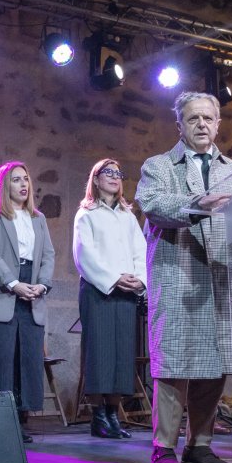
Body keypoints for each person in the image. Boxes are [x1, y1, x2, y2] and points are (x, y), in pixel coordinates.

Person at [135, 91, 232, 463]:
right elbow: (152, 204)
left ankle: (200, 444)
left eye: (208, 119)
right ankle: (163, 445)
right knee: (175, 364)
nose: (202, 125)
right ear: (179, 125)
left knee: (216, 364)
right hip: (179, 274)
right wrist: (196, 205)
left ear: (218, 124)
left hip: (220, 277)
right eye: (193, 118)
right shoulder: (160, 165)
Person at [0, 161, 54, 443]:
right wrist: (14, 284)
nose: (23, 184)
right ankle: (0, 421)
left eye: (26, 179)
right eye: (16, 180)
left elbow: (48, 254)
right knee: (2, 359)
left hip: (33, 289)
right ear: (3, 185)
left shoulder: (38, 217)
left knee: (28, 357)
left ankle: (21, 418)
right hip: (5, 289)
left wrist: (42, 284)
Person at [73, 158, 145, 440]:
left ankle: (114, 414)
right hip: (99, 291)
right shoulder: (86, 213)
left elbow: (140, 249)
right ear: (96, 178)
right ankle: (98, 416)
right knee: (100, 353)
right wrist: (114, 278)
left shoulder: (127, 215)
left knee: (121, 355)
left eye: (119, 173)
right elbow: (84, 255)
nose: (115, 177)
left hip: (126, 292)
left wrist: (140, 278)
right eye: (109, 173)